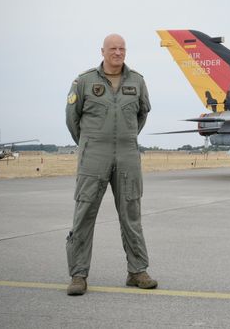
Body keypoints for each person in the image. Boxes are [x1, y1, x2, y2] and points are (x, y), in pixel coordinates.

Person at [64, 34, 156, 296]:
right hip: (94, 155)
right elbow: (73, 119)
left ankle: (137, 271)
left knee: (132, 214)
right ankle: (78, 275)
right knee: (84, 214)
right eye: (113, 48)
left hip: (127, 153)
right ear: (102, 51)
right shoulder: (84, 81)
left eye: (122, 48)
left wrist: (125, 137)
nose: (118, 52)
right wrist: (90, 143)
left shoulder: (137, 81)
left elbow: (142, 114)